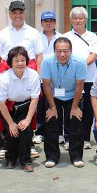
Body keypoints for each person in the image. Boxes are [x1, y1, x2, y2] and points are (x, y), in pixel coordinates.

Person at [0, 0, 43, 159]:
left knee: (30, 106)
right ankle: (5, 143)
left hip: (29, 70)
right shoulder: (2, 33)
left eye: (20, 12)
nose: (17, 15)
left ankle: (29, 143)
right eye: (14, 12)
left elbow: (39, 55)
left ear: (25, 13)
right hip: (7, 72)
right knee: (3, 107)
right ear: (10, 14)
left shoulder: (34, 32)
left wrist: (39, 75)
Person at [41, 37, 87, 168]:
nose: (62, 54)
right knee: (51, 122)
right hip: (54, 95)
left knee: (75, 123)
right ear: (54, 51)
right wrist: (52, 107)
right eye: (58, 51)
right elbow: (46, 85)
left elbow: (79, 86)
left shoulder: (79, 62)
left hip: (74, 94)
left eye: (66, 51)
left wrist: (74, 107)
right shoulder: (47, 61)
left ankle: (76, 156)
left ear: (71, 51)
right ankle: (51, 156)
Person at [0, 46, 41, 172]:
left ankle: (26, 160)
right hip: (8, 108)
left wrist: (27, 119)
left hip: (26, 107)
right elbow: (1, 102)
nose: (20, 63)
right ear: (10, 63)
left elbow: (34, 99)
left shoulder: (33, 75)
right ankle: (10, 158)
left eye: (23, 60)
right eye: (16, 61)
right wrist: (10, 123)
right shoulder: (5, 77)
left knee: (25, 131)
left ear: (27, 61)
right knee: (12, 132)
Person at [63, 7, 97, 150]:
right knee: (69, 107)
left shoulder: (92, 36)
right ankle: (68, 138)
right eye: (75, 18)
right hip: (70, 78)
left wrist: (80, 66)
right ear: (71, 20)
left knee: (88, 110)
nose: (78, 20)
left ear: (85, 20)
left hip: (89, 78)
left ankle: (85, 138)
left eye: (81, 18)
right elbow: (63, 55)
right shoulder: (65, 37)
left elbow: (93, 54)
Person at [34, 11, 62, 145]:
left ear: (55, 22)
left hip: (58, 78)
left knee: (58, 103)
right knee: (41, 106)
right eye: (45, 21)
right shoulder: (36, 37)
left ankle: (59, 133)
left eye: (51, 20)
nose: (48, 23)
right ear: (41, 23)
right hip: (41, 78)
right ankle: (40, 132)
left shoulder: (61, 38)